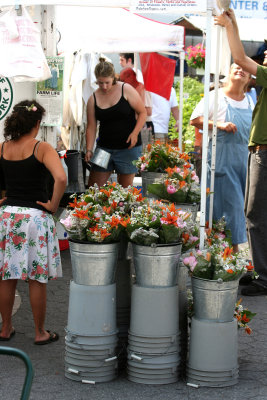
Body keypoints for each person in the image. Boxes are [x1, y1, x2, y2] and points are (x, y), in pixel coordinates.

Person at [0, 100, 67, 342]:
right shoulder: (41, 148)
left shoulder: (3, 147)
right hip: (34, 218)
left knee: (7, 276)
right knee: (36, 277)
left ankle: (5, 328)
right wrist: (53, 204)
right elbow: (61, 178)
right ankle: (40, 333)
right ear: (37, 123)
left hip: (7, 217)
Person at [214, 10, 267, 296]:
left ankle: (262, 277)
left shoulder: (263, 81)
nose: (265, 54)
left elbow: (240, 58)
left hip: (261, 154)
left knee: (254, 216)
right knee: (254, 215)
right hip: (253, 155)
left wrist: (230, 26)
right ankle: (259, 271)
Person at [190, 63, 253, 254]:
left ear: (250, 77)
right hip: (220, 163)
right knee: (226, 212)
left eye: (245, 69)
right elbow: (195, 119)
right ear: (229, 71)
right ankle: (226, 258)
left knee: (239, 213)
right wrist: (219, 124)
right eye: (237, 66)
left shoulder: (250, 101)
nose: (240, 70)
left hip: (244, 164)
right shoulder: (216, 97)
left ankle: (226, 261)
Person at [85, 58, 146, 188]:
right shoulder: (93, 99)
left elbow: (142, 112)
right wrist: (89, 149)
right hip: (104, 149)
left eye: (107, 82)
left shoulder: (126, 89)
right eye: (100, 83)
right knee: (94, 188)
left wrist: (135, 133)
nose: (104, 86)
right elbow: (91, 126)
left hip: (128, 148)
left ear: (113, 78)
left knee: (124, 192)